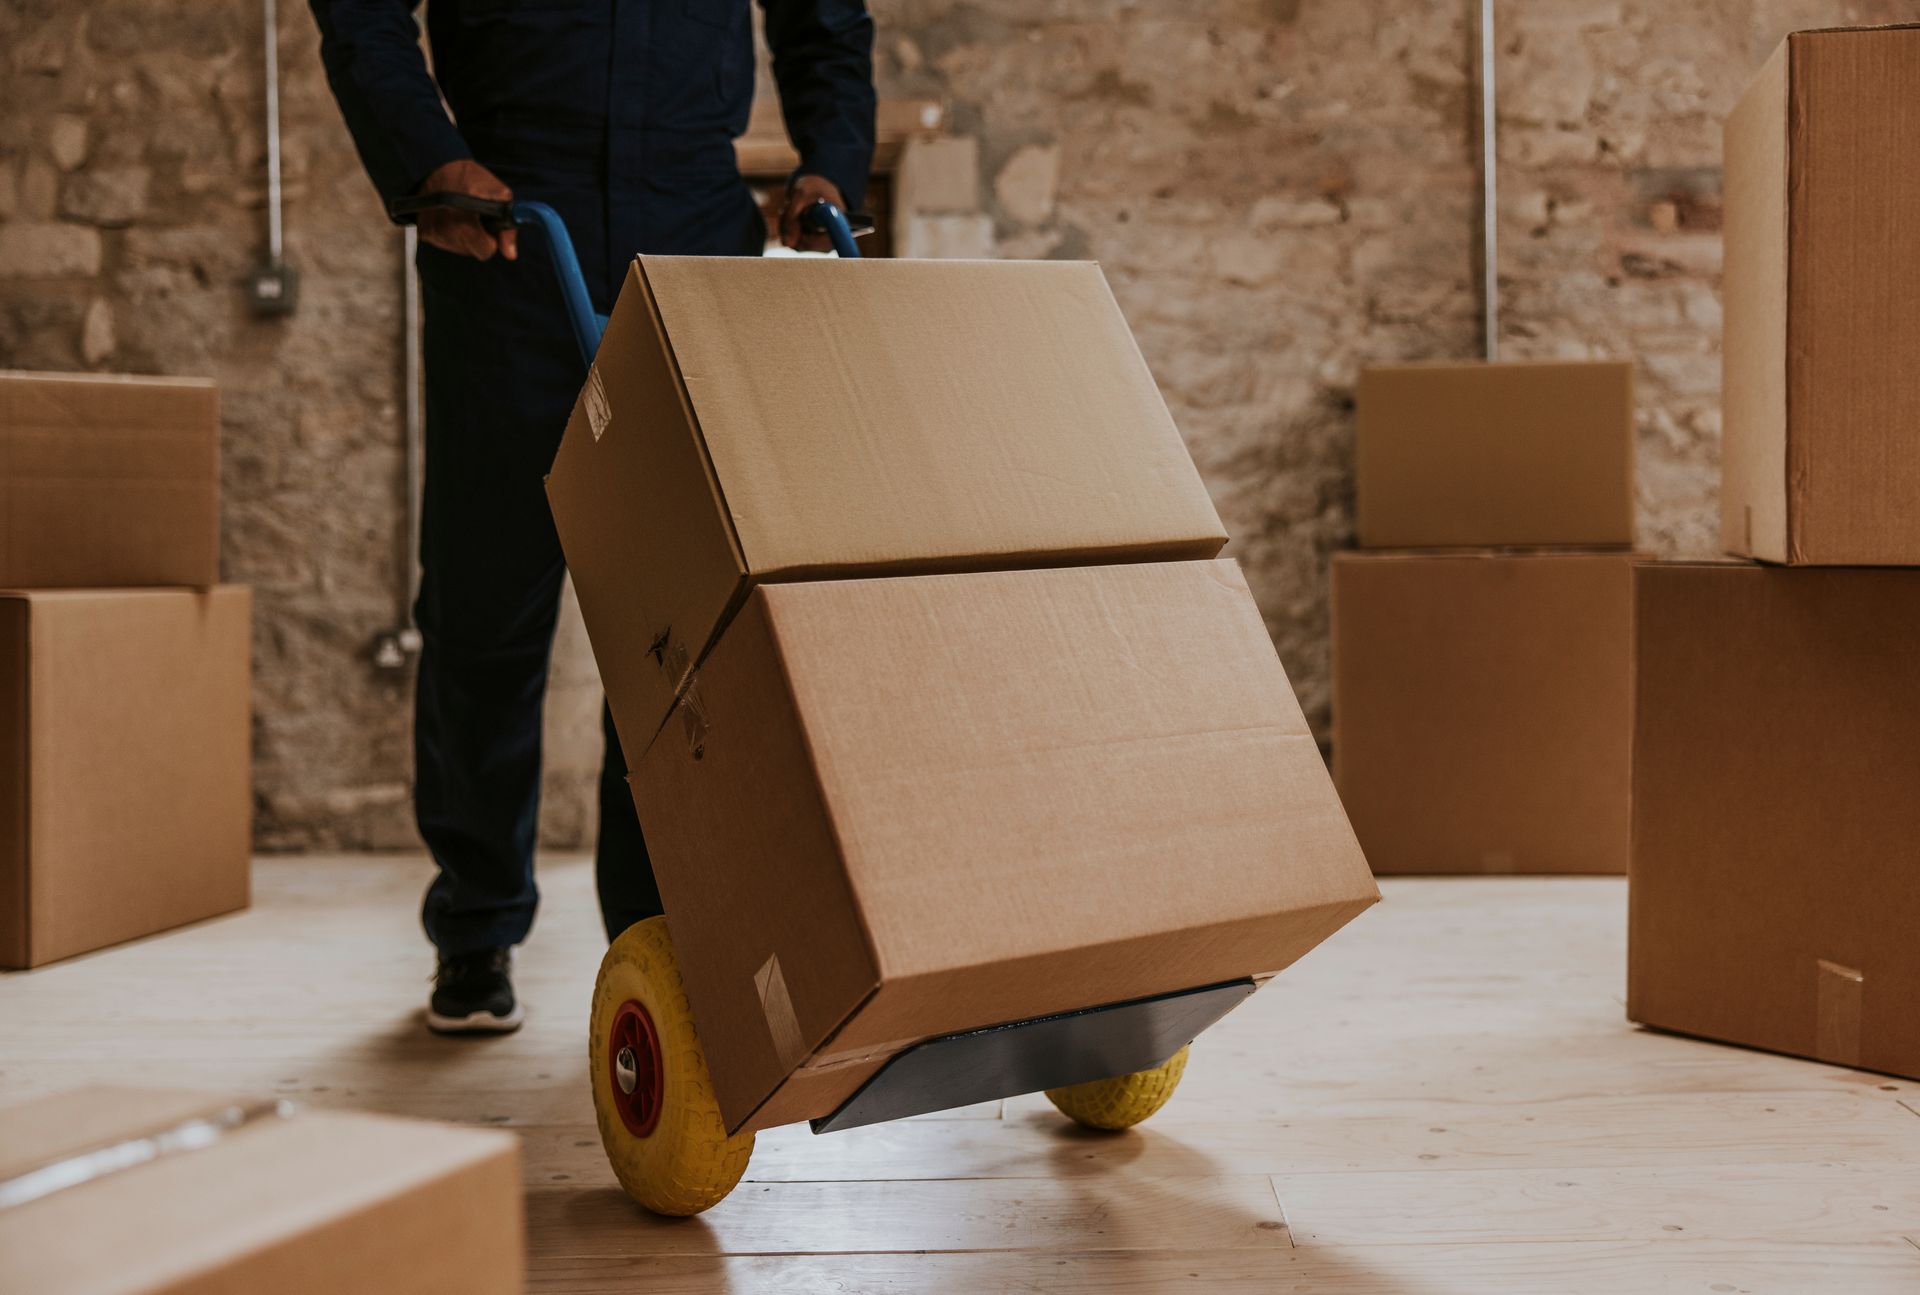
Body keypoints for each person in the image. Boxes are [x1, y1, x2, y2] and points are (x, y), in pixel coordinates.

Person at [310, 0, 876, 1034]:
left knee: (680, 621)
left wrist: (832, 158)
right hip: (512, 233)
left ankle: (654, 935)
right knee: (486, 604)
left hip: (693, 233)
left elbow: (824, 16)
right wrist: (427, 159)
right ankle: (476, 925)